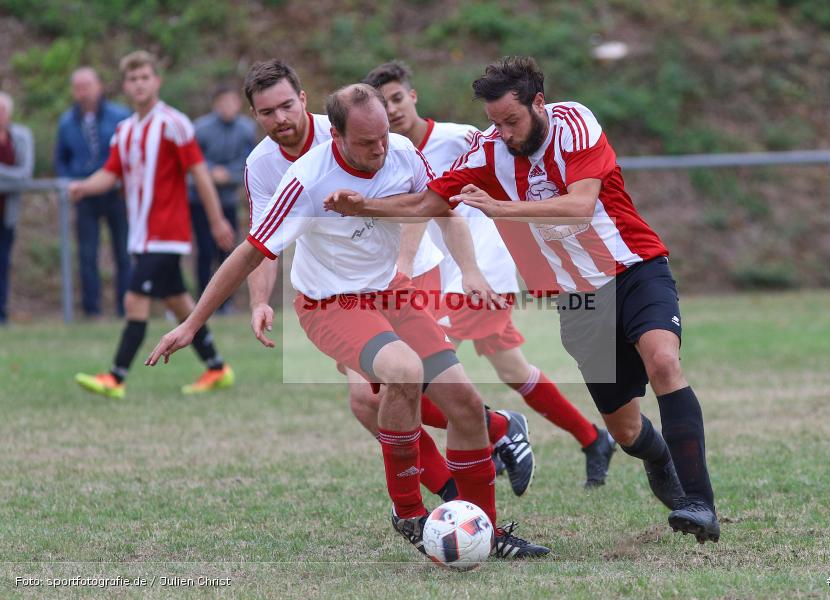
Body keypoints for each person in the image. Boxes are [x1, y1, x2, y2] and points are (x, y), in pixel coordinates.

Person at [324, 56, 720, 544]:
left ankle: (699, 504)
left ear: (538, 103)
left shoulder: (574, 122)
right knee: (626, 429)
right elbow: (429, 202)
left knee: (663, 362)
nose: (504, 132)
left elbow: (580, 205)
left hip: (634, 269)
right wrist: (364, 205)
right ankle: (657, 457)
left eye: (512, 121)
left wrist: (500, 209)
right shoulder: (488, 152)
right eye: (495, 123)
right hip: (578, 302)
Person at [146, 83, 550, 559]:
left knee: (465, 402)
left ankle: (487, 530)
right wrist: (191, 324)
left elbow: (443, 210)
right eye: (365, 142)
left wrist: (471, 270)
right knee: (402, 373)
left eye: (382, 136)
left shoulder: (401, 152)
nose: (380, 148)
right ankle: (408, 512)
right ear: (334, 135)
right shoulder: (305, 181)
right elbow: (248, 254)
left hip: (391, 294)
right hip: (330, 304)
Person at [241, 60, 535, 502]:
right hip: (342, 288)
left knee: (398, 385)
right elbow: (264, 238)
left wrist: (409, 258)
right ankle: (474, 468)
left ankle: (468, 471)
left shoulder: (350, 129)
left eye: (286, 106)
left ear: (303, 100)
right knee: (370, 401)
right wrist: (260, 299)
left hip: (408, 273)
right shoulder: (263, 165)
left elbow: (423, 200)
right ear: (255, 116)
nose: (280, 119)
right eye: (267, 113)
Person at [363, 60, 617, 490]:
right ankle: (592, 438)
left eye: (397, 98)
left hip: (480, 273)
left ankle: (496, 435)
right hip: (445, 276)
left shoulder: (459, 138)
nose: (391, 110)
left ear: (413, 96)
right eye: (382, 104)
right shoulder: (390, 157)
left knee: (418, 377)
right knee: (512, 368)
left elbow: (514, 173)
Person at [69, 50, 236, 398]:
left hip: (167, 234)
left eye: (145, 77)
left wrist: (217, 218)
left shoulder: (174, 123)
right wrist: (84, 186)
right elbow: (110, 173)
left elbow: (199, 172)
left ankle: (115, 377)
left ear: (157, 81)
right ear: (125, 86)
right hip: (142, 236)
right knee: (178, 303)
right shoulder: (125, 129)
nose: (139, 83)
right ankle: (217, 368)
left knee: (134, 300)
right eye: (133, 78)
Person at [55, 67, 132, 318]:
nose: (83, 93)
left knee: (123, 251)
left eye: (87, 86)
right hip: (84, 195)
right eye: (78, 88)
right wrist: (70, 182)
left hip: (117, 194)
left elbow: (129, 152)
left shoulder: (120, 116)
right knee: (87, 254)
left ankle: (125, 306)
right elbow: (61, 159)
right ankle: (92, 309)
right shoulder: (67, 122)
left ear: (99, 86)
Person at [190, 85, 256, 308]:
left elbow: (250, 162)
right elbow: (192, 161)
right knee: (204, 250)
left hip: (228, 200)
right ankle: (201, 300)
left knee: (228, 251)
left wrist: (228, 174)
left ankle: (225, 302)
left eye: (232, 102)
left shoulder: (246, 129)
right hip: (199, 201)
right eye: (223, 103)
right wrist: (210, 172)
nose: (228, 107)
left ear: (239, 104)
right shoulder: (200, 128)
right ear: (216, 105)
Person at [0, 92, 34, 325]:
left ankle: (2, 314)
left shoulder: (20, 136)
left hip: (6, 215)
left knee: (3, 262)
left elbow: (24, 175)